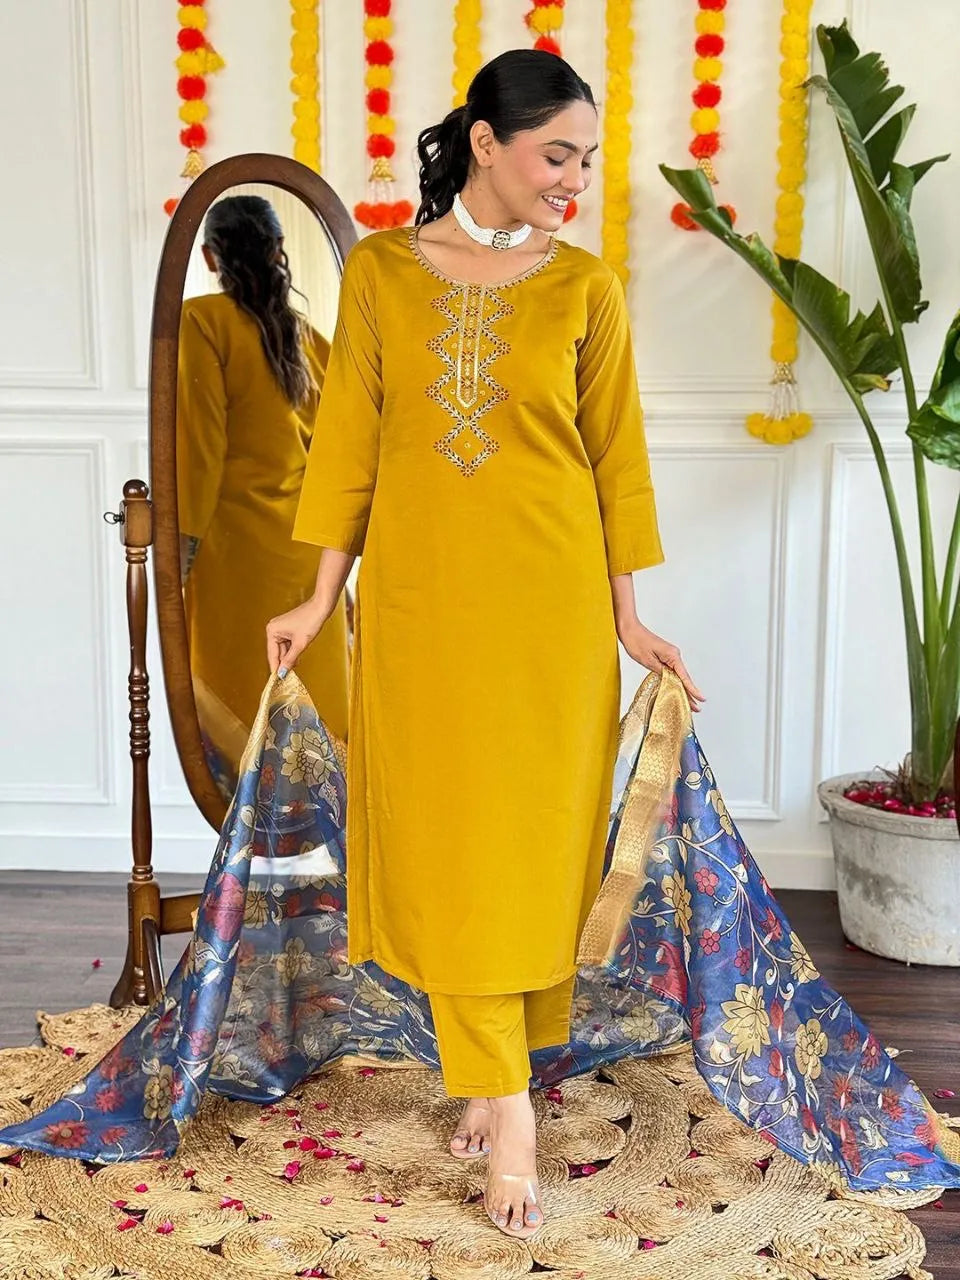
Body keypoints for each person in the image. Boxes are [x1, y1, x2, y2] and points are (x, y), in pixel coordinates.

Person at [265, 50, 703, 1238]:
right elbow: (347, 441)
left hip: (552, 613)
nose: (574, 178)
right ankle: (506, 1093)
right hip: (415, 611)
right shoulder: (384, 277)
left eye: (586, 159)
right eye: (558, 154)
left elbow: (617, 457)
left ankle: (495, 1082)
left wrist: (628, 614)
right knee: (451, 848)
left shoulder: (587, 288)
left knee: (532, 852)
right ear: (484, 145)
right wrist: (317, 597)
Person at [178, 195, 350, 786]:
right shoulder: (306, 336)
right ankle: (317, 849)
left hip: (234, 550)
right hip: (306, 548)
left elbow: (199, 445)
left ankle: (251, 838)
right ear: (279, 253)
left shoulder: (201, 322)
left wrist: (183, 543)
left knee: (237, 698)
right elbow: (338, 448)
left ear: (208, 256)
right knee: (313, 696)